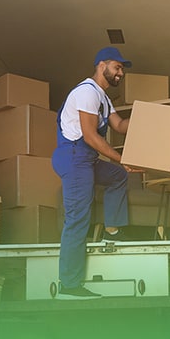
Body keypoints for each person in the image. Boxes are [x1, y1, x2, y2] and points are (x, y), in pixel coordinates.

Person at [52, 46, 134, 299]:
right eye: (117, 67)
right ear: (102, 65)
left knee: (118, 177)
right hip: (75, 157)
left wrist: (151, 119)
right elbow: (89, 136)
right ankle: (69, 283)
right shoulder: (87, 92)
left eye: (122, 69)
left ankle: (113, 230)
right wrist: (122, 158)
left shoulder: (103, 97)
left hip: (85, 159)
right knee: (77, 218)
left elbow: (120, 126)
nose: (120, 73)